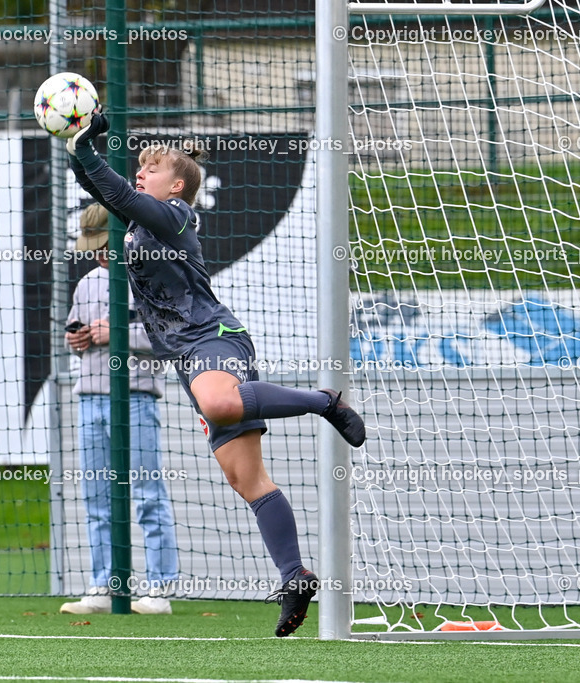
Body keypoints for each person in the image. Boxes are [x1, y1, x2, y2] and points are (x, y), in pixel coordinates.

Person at [66, 113, 366, 637]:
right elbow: (104, 190)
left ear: (177, 185)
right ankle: (294, 576)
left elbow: (118, 193)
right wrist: (79, 148)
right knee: (246, 480)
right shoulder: (138, 224)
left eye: (152, 167)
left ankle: (325, 402)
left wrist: (87, 150)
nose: (141, 172)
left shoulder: (174, 214)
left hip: (215, 338)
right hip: (188, 359)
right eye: (139, 166)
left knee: (221, 404)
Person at [59, 203, 180, 616]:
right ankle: (102, 585)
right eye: (91, 246)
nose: (95, 253)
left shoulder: (153, 278)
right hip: (90, 397)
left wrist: (117, 334)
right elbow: (73, 333)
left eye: (101, 244)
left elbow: (168, 341)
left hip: (136, 398)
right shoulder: (87, 284)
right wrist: (75, 340)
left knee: (148, 494)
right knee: (97, 497)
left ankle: (160, 589)